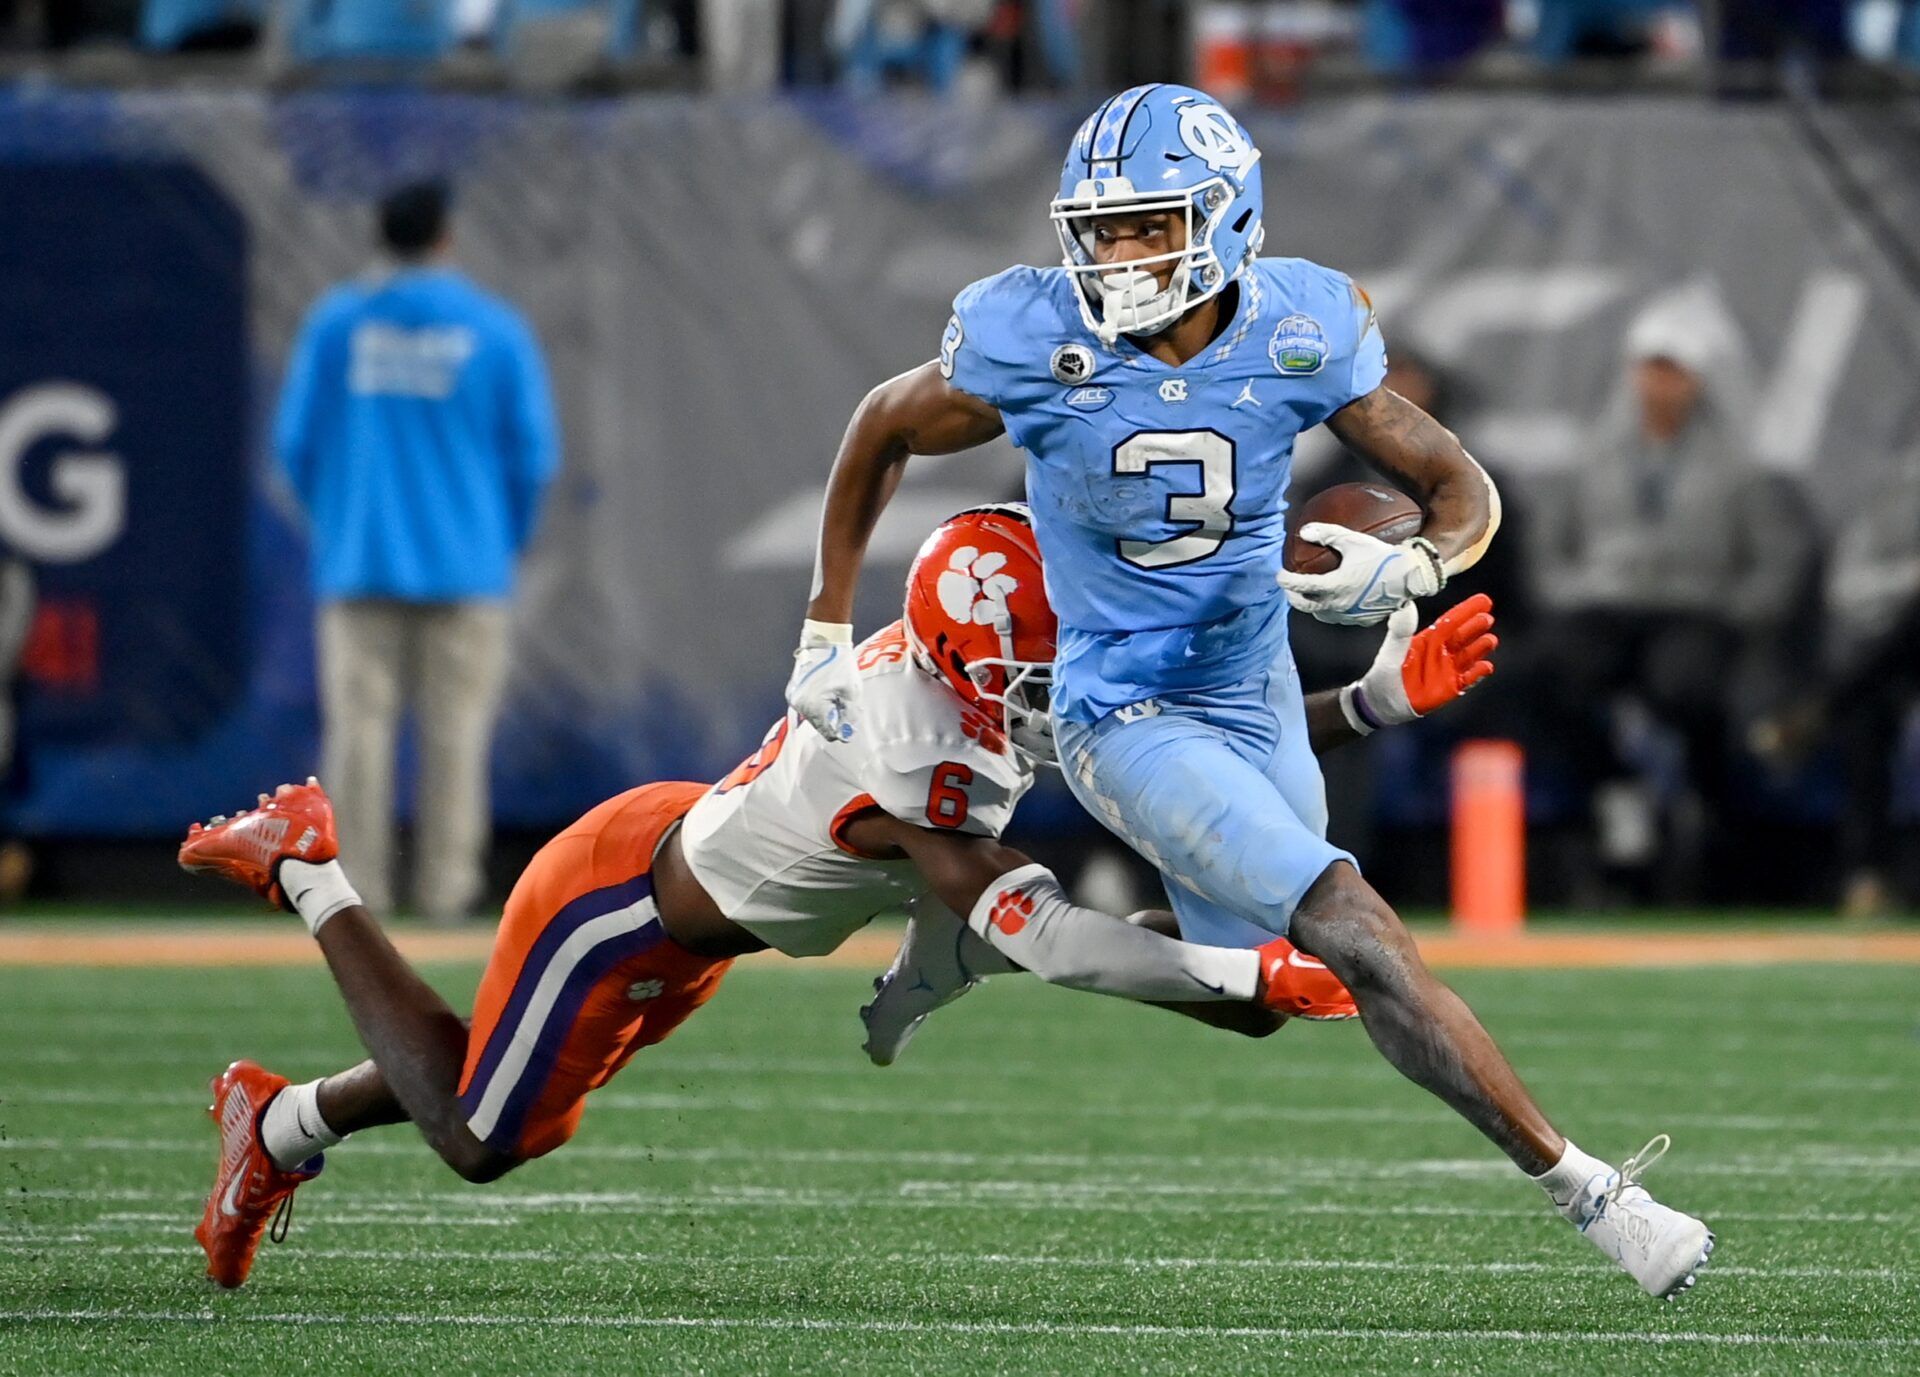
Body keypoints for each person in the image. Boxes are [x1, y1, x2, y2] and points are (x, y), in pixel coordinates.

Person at [785, 84, 1712, 1298]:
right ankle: (1595, 1193)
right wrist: (823, 624)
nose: (1117, 255)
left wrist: (1416, 561)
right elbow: (882, 422)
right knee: (1351, 924)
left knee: (1254, 994)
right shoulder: (1031, 337)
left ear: (1226, 222)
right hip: (1122, 711)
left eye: (1147, 225)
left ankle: (986, 944)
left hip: (1252, 687)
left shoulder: (1298, 327)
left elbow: (1457, 482)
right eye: (1101, 229)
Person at [176, 505, 1498, 1289]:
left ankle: (278, 1119)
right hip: (622, 909)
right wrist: (1244, 979)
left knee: (507, 1081)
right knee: (485, 1133)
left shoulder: (985, 663)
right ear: (984, 668)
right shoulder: (913, 752)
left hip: (699, 900)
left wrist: (1372, 701)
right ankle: (308, 861)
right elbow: (1046, 940)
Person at [276, 180, 559, 924]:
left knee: (357, 739)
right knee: (458, 739)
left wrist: (338, 522)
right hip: (468, 567)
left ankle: (353, 897)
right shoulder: (493, 329)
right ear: (446, 235)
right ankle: (447, 892)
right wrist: (502, 540)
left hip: (360, 561)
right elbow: (532, 457)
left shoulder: (339, 323)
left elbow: (295, 444)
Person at [1529, 295, 1817, 897]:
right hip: (1606, 611)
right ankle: (1613, 789)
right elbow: (1551, 550)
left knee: (1684, 680)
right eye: (1650, 368)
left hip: (1697, 614)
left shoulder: (1743, 465)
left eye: (1674, 370)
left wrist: (1734, 611)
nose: (1659, 385)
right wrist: (1576, 591)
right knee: (1548, 670)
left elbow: (1775, 565)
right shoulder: (1597, 457)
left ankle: (1699, 808)